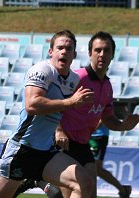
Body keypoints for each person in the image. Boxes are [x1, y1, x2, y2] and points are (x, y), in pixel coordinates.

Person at [13, 31, 139, 198]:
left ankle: (38, 182)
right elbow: (53, 102)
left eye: (106, 50)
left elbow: (108, 118)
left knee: (89, 192)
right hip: (62, 143)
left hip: (82, 144)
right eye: (98, 50)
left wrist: (124, 125)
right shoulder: (78, 78)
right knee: (71, 192)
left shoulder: (107, 86)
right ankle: (40, 181)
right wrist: (59, 130)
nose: (102, 54)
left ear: (113, 54)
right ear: (89, 53)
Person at [0, 29, 96, 198]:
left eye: (68, 49)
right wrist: (71, 102)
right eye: (60, 48)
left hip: (45, 152)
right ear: (51, 52)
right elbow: (32, 104)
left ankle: (35, 180)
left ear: (74, 54)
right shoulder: (42, 70)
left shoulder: (73, 80)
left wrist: (61, 128)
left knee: (84, 182)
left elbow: (58, 109)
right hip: (22, 150)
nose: (64, 51)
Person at [89, 122, 132, 198]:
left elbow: (102, 118)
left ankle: (123, 190)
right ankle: (123, 189)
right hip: (86, 136)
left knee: (95, 168)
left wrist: (89, 130)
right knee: (94, 169)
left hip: (97, 136)